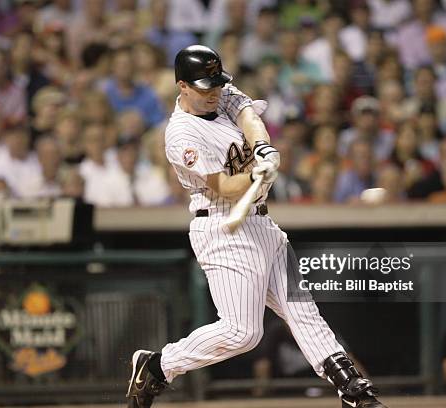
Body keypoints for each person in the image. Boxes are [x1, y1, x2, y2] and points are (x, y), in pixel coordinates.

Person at [126, 45, 388, 408]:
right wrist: (254, 173)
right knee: (242, 333)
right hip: (224, 228)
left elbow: (247, 114)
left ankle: (353, 390)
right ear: (182, 86)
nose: (214, 91)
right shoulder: (181, 135)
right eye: (205, 86)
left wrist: (262, 147)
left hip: (262, 223)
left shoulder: (220, 94)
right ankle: (158, 365)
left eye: (217, 82)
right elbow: (225, 188)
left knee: (303, 311)